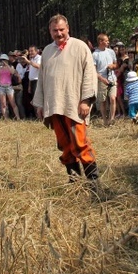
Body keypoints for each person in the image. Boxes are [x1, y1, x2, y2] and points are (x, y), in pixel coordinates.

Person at [32, 14, 99, 183]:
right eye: (55, 30)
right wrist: (40, 104)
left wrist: (85, 100)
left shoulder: (80, 47)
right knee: (65, 146)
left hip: (74, 104)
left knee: (80, 143)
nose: (59, 33)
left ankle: (94, 184)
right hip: (54, 105)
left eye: (61, 29)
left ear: (67, 28)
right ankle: (75, 183)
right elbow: (42, 78)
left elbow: (90, 75)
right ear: (50, 31)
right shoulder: (47, 51)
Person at [92, 33, 118, 126]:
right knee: (103, 101)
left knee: (112, 98)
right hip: (101, 80)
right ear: (100, 41)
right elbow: (93, 71)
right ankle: (105, 120)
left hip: (112, 78)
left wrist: (113, 66)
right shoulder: (95, 54)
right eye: (106, 40)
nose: (108, 42)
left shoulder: (111, 52)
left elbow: (116, 64)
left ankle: (112, 119)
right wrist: (101, 79)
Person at [0, 54, 21, 120]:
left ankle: (18, 117)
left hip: (9, 87)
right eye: (1, 60)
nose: (2, 62)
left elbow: (12, 72)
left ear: (6, 60)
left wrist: (6, 64)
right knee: (3, 104)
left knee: (13, 103)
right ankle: (6, 118)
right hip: (1, 87)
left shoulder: (11, 67)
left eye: (3, 60)